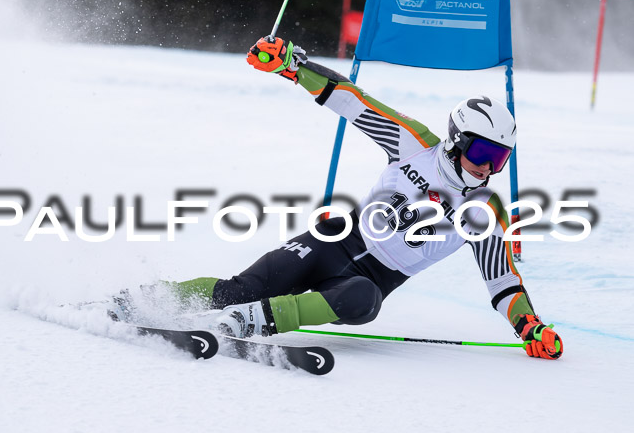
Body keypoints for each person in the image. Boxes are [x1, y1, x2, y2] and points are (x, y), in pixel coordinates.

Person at [133, 36, 563, 360]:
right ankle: (140, 299)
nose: (489, 168)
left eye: (500, 158)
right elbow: (353, 102)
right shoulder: (416, 143)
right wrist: (291, 66)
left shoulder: (484, 210)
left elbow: (503, 281)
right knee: (238, 289)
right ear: (456, 141)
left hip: (369, 281)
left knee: (364, 301)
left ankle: (253, 320)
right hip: (333, 242)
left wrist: (529, 327)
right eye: (483, 153)